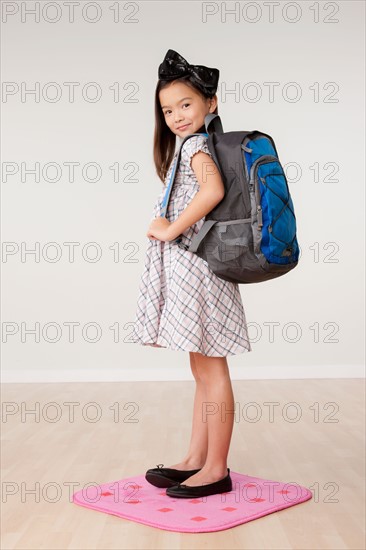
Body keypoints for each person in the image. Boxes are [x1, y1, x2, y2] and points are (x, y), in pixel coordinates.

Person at [131, 49, 252, 498]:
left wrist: (169, 231)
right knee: (201, 367)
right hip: (193, 268)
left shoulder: (198, 146)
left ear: (210, 104)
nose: (177, 116)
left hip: (199, 267)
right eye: (168, 109)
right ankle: (196, 459)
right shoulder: (187, 146)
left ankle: (216, 468)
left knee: (212, 367)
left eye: (186, 104)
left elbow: (213, 190)